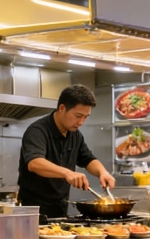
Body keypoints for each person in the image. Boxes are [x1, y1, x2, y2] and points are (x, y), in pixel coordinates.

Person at [18, 84, 115, 220]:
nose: (81, 122)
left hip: (60, 209)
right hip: (33, 212)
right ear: (62, 108)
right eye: (78, 115)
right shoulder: (37, 131)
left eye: (85, 117)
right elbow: (34, 163)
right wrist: (68, 173)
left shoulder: (74, 134)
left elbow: (88, 159)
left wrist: (102, 172)